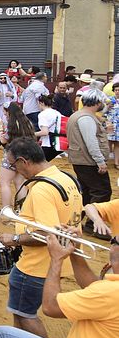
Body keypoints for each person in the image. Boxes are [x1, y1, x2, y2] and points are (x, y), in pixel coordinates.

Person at [0, 232, 119, 338]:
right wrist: (75, 251)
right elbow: (94, 286)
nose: (110, 245)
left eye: (113, 241)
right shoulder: (109, 290)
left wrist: (56, 260)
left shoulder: (109, 292)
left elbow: (50, 307)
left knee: (2, 336)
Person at [0, 138, 82, 338]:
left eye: (12, 164)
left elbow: (46, 234)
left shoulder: (42, 189)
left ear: (23, 161)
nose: (13, 169)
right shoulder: (66, 178)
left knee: (26, 316)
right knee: (21, 313)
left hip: (35, 266)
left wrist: (15, 238)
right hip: (56, 262)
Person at [66, 86, 112, 232]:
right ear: (97, 102)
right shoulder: (86, 118)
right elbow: (91, 142)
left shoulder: (79, 115)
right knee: (102, 191)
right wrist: (100, 161)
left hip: (81, 160)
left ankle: (78, 221)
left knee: (86, 192)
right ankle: (94, 225)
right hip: (89, 161)